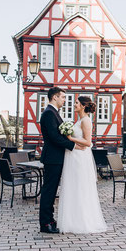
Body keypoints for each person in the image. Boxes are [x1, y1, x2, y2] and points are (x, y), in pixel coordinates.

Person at [57, 95, 108, 234]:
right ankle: (71, 220)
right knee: (72, 187)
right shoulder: (79, 120)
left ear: (83, 106)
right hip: (73, 156)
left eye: (76, 103)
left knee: (79, 187)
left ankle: (82, 222)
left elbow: (88, 142)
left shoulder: (86, 121)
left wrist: (69, 138)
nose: (74, 105)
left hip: (79, 158)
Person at [39, 87, 83, 233]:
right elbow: (54, 137)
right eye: (63, 97)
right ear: (55, 97)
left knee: (51, 191)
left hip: (56, 157)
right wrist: (73, 145)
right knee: (49, 191)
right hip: (52, 157)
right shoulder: (49, 114)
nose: (64, 100)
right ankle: (45, 224)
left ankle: (50, 220)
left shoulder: (54, 113)